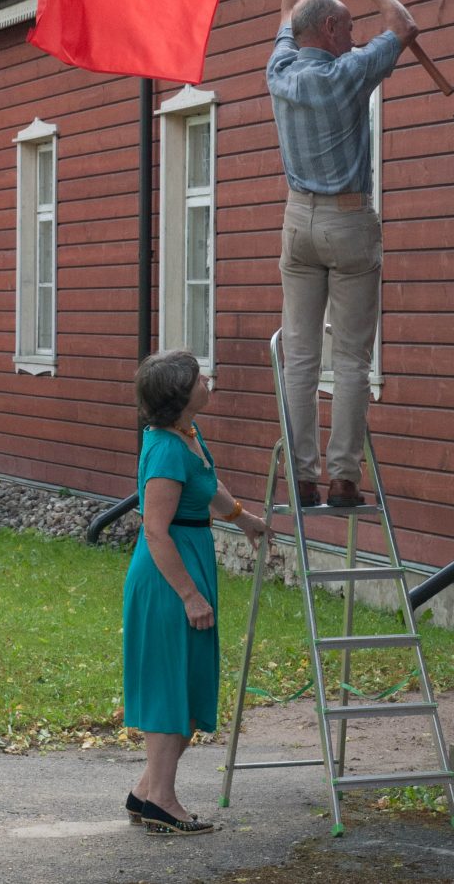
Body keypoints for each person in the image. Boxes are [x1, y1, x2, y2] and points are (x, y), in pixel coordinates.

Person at [266, 0, 418, 509]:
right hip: (348, 221)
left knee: (301, 356)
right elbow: (405, 26)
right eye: (350, 24)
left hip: (297, 220)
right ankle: (344, 477)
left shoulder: (280, 67)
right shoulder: (347, 71)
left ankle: (302, 478)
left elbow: (289, 8)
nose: (356, 32)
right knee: (351, 358)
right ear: (330, 33)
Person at [122, 348, 271, 835]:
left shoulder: (187, 435)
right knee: (171, 685)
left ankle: (146, 791)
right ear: (180, 396)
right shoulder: (165, 450)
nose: (208, 380)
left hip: (189, 556)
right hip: (169, 574)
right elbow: (155, 531)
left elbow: (206, 484)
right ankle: (164, 799)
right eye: (199, 377)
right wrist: (189, 595)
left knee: (184, 680)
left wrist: (240, 517)